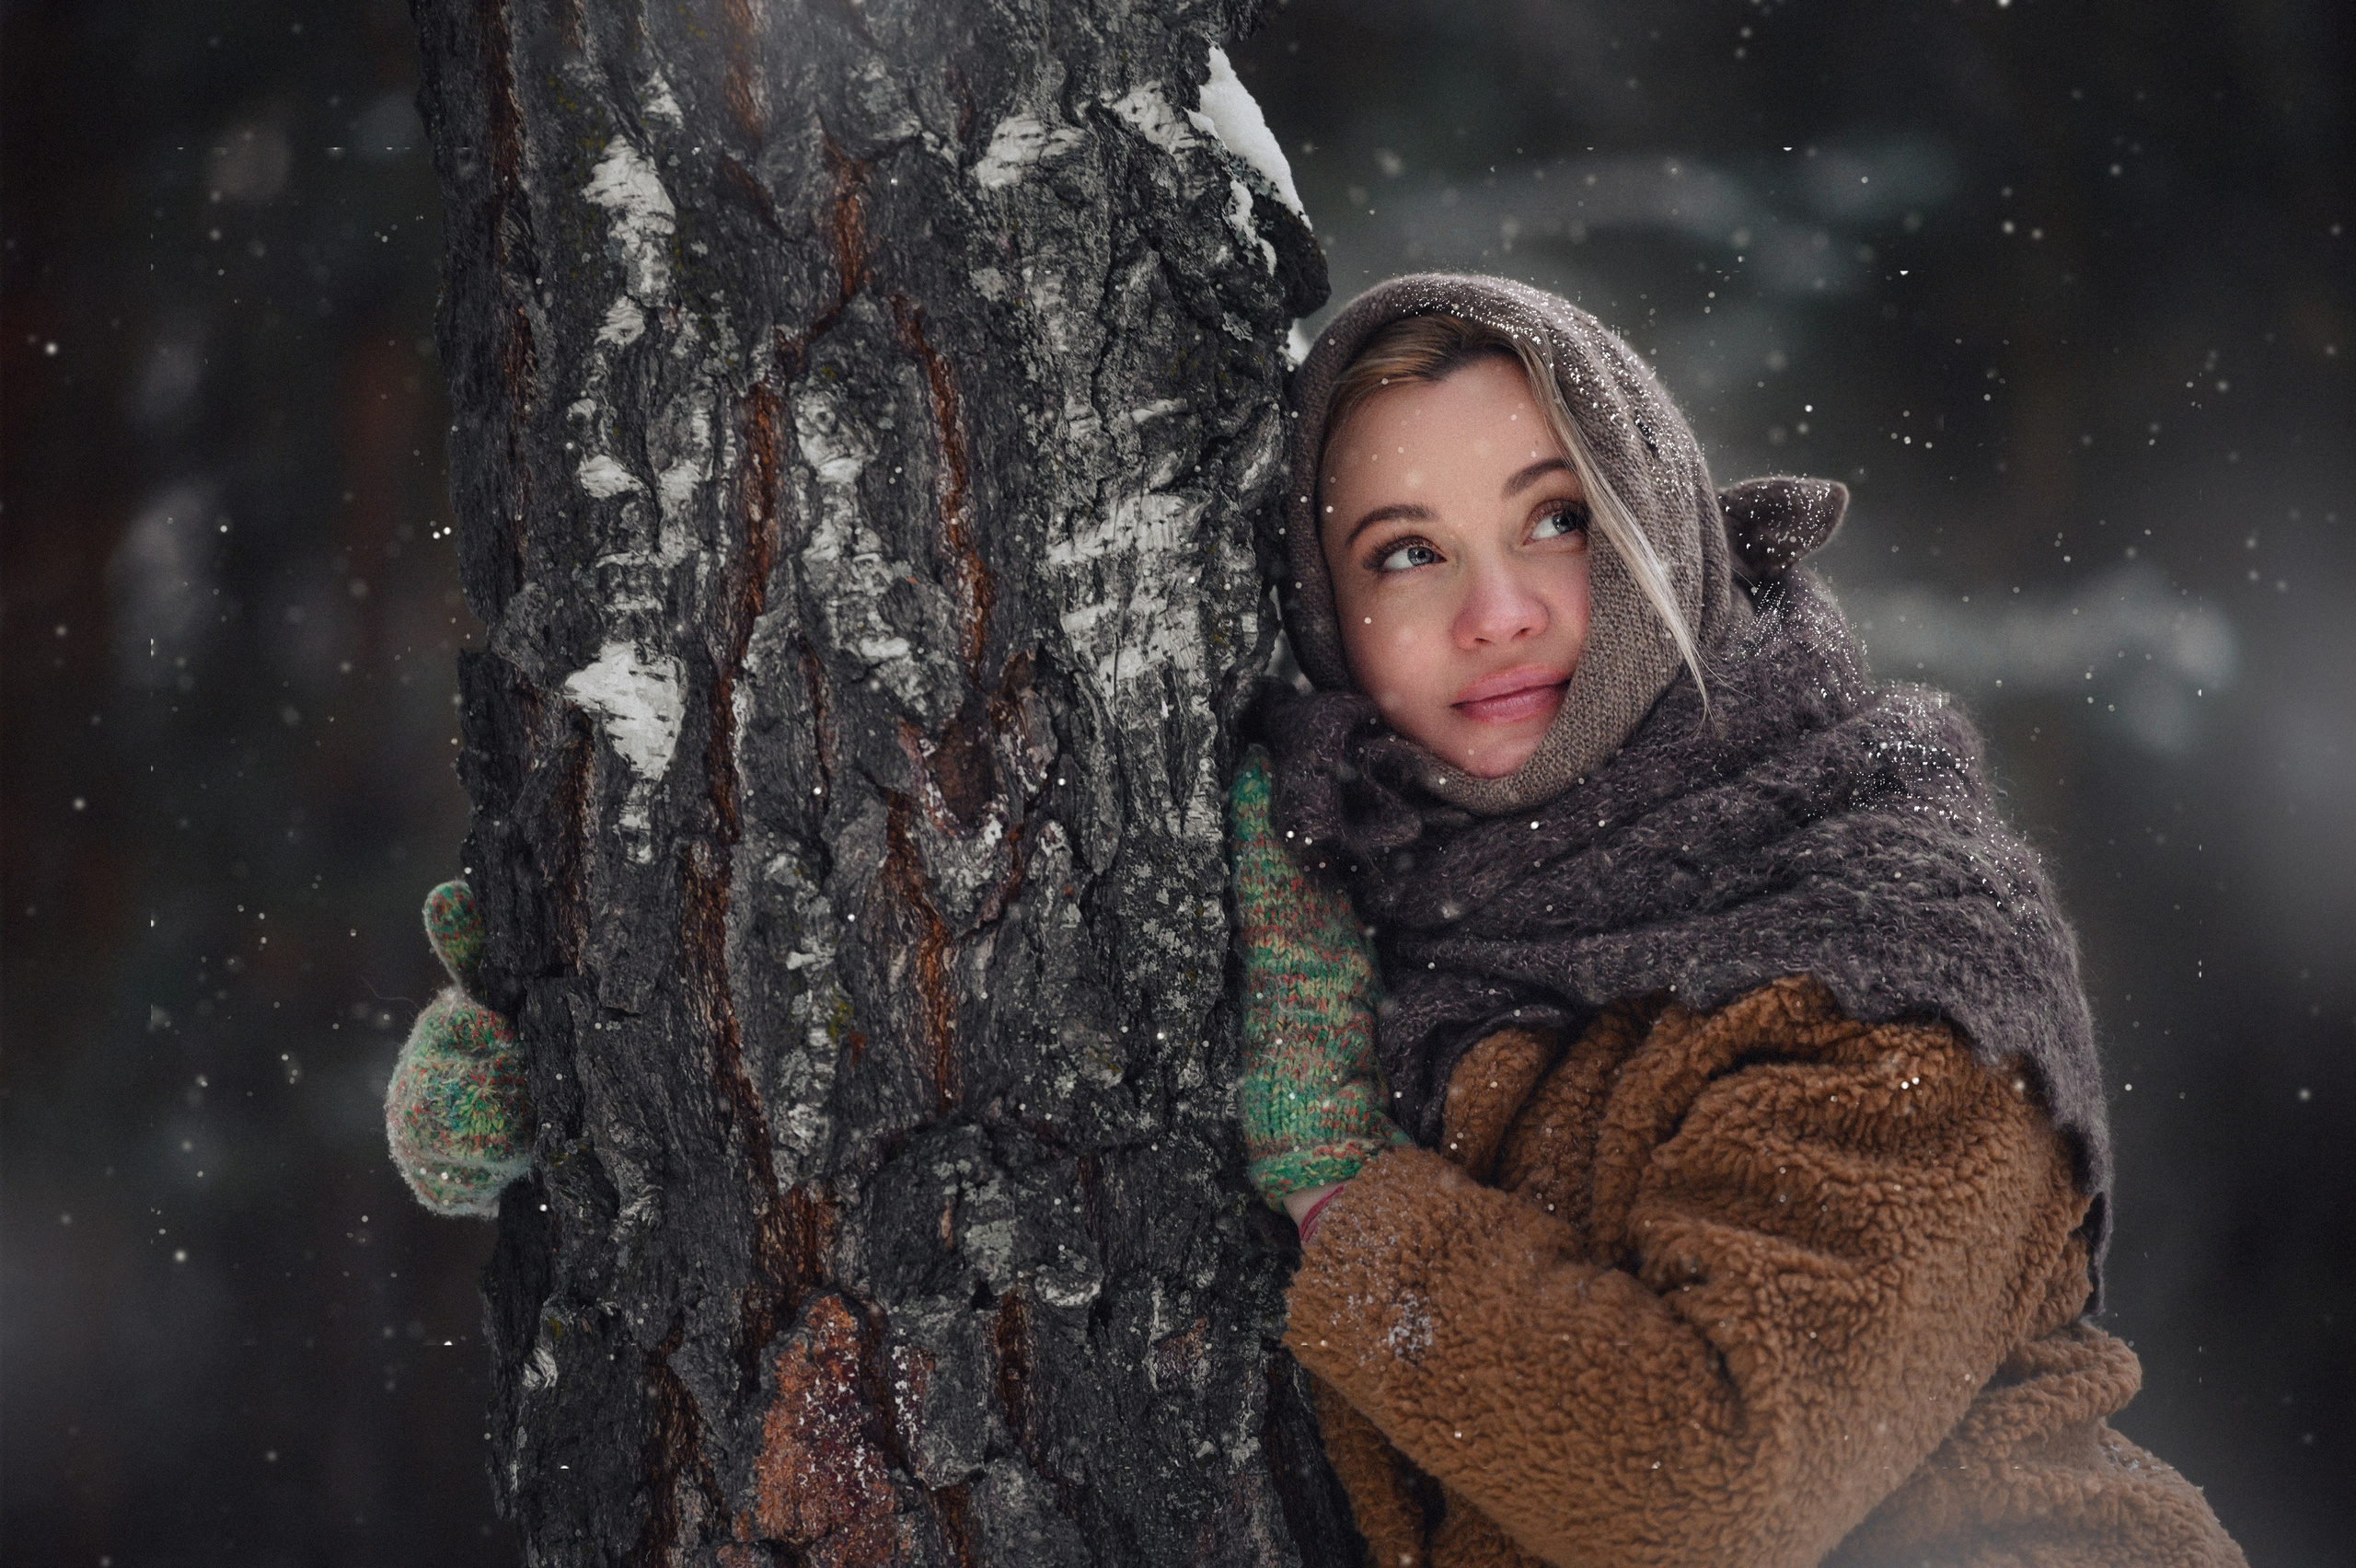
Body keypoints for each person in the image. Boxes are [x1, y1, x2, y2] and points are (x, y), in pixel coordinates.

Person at [1231, 272, 2245, 1565]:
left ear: (1656, 521)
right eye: (1408, 553)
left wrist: (1340, 1195)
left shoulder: (1889, 940)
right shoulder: (1416, 943)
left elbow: (1702, 1484)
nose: (1499, 614)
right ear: (1330, 620)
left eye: (1556, 518)